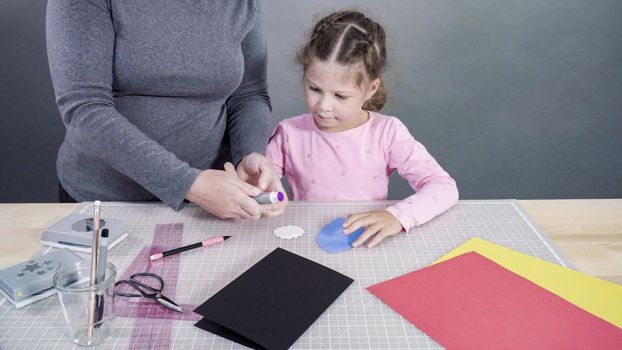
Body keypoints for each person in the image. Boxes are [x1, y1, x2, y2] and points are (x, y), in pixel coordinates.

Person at [46, 0, 285, 219]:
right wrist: (188, 184)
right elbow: (84, 108)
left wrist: (249, 153)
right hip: (107, 200)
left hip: (216, 202)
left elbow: (249, 94)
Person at [266, 11, 459, 248]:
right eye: (314, 89)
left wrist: (397, 216)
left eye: (340, 95)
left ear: (371, 88)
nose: (324, 106)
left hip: (367, 243)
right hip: (306, 243)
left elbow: (444, 187)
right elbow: (264, 187)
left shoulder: (388, 133)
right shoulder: (288, 133)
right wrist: (260, 194)